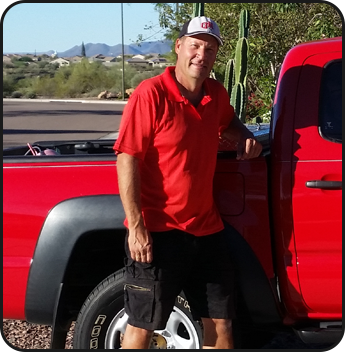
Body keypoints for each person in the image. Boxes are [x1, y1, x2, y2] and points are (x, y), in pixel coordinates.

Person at [113, 16, 262, 349]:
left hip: (207, 231)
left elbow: (230, 121)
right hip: (159, 231)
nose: (202, 54)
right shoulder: (150, 94)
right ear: (179, 47)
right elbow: (127, 158)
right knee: (142, 326)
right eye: (195, 45)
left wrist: (246, 136)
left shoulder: (216, 95)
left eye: (209, 48)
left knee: (221, 323)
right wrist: (137, 228)